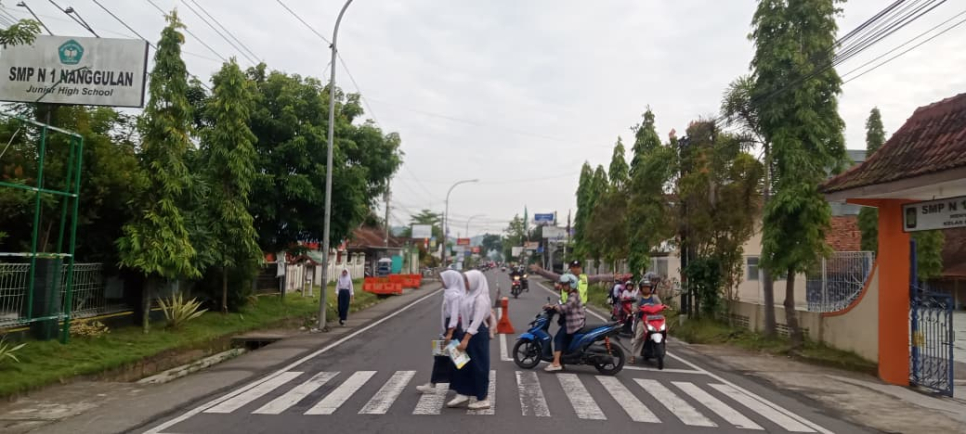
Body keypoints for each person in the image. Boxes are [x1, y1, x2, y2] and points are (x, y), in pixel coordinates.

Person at [447, 270, 492, 410]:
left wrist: (466, 339)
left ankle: (483, 398)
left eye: (467, 280)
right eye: (464, 280)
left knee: (479, 365)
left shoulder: (480, 298)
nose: (465, 283)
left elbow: (477, 320)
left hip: (477, 333)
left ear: (474, 282)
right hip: (465, 330)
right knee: (460, 362)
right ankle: (462, 392)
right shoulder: (468, 295)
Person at [416, 270, 464, 394]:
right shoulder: (448, 293)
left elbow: (454, 315)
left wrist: (450, 332)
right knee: (440, 357)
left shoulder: (454, 295)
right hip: (448, 328)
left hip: (453, 328)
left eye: (443, 279)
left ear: (450, 280)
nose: (441, 281)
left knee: (459, 358)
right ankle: (433, 383)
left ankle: (466, 386)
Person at [543, 273, 585, 372]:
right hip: (572, 321)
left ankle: (556, 363)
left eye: (565, 284)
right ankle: (562, 360)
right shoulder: (571, 294)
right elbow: (562, 303)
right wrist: (552, 306)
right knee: (564, 339)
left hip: (574, 323)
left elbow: (566, 308)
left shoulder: (573, 295)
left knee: (558, 338)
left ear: (571, 284)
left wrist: (554, 307)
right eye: (562, 284)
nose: (562, 286)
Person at [530, 260, 613, 305]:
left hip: (580, 309)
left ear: (581, 268)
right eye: (574, 267)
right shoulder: (565, 278)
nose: (576, 269)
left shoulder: (585, 278)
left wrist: (613, 277)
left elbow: (599, 277)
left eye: (578, 267)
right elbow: (551, 275)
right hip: (566, 308)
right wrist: (539, 270)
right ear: (571, 268)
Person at [629, 279, 662, 364]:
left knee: (662, 330)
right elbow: (634, 306)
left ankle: (662, 345)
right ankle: (633, 356)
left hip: (654, 320)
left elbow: (660, 305)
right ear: (641, 288)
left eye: (648, 287)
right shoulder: (638, 298)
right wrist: (635, 309)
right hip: (643, 321)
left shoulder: (654, 297)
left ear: (650, 288)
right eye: (644, 287)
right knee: (639, 337)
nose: (646, 289)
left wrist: (663, 307)